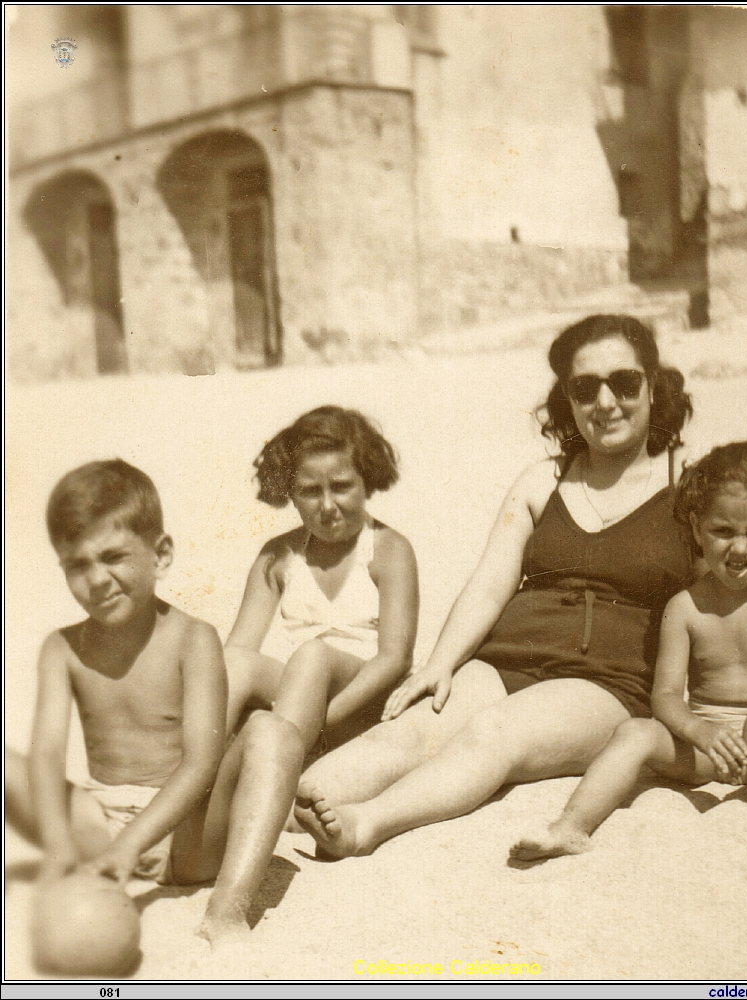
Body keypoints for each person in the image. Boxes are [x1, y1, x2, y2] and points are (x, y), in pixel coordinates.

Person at [292, 314, 694, 858]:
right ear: (567, 401)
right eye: (585, 387)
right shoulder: (543, 479)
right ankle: (286, 803)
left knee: (495, 733)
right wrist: (440, 666)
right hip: (508, 656)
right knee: (411, 731)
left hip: (608, 681)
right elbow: (488, 585)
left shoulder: (690, 486)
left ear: (653, 386)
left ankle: (367, 825)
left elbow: (744, 575)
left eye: (624, 383)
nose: (605, 402)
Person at [511, 441, 747, 861]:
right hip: (708, 751)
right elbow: (665, 697)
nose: (740, 549)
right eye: (723, 531)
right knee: (636, 732)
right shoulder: (683, 607)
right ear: (697, 527)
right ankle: (571, 827)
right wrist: (701, 732)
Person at [202, 406, 418, 943]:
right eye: (308, 491)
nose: (327, 506)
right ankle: (193, 799)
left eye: (342, 486)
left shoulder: (388, 551)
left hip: (360, 699)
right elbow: (240, 649)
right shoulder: (280, 556)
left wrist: (315, 724)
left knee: (315, 654)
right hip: (302, 698)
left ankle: (276, 774)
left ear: (368, 479)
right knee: (235, 663)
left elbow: (395, 658)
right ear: (288, 492)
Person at [5, 460, 227, 888]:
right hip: (100, 820)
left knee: (253, 744)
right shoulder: (62, 649)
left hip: (181, 828)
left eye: (113, 557)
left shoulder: (194, 639)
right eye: (77, 565)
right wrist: (59, 847)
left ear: (160, 555)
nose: (97, 580)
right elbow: (47, 756)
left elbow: (202, 763)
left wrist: (133, 846)